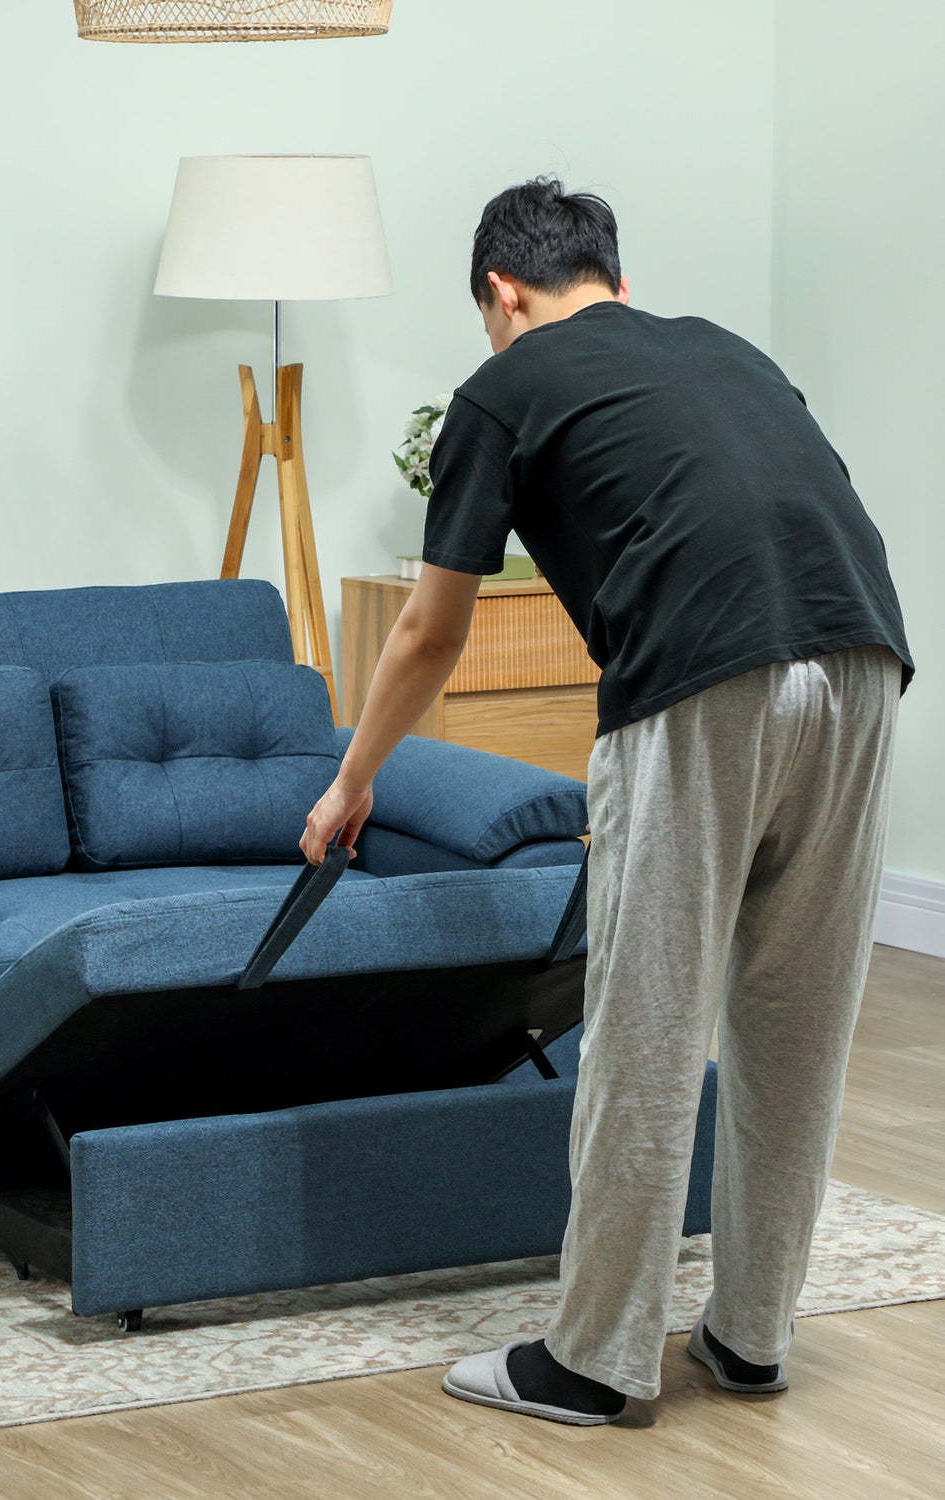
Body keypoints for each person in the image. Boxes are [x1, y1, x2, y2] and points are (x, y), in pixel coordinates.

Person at [299, 177, 913, 1425]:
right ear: (617, 282)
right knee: (795, 1026)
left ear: (502, 294)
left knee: (646, 1020)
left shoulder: (502, 389)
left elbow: (429, 632)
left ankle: (592, 1360)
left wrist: (352, 780)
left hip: (700, 675)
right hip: (863, 657)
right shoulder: (727, 352)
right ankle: (751, 1337)